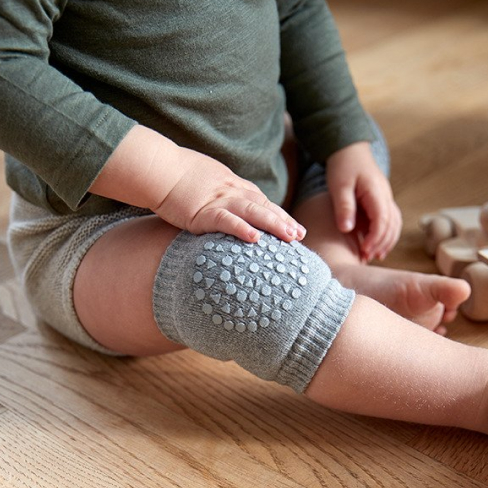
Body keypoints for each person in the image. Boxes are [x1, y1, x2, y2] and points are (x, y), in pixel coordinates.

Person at [1, 0, 487, 434]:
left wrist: (344, 142)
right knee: (230, 276)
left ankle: (332, 264)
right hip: (97, 232)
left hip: (255, 180)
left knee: (348, 136)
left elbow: (296, 12)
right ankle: (469, 389)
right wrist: (171, 179)